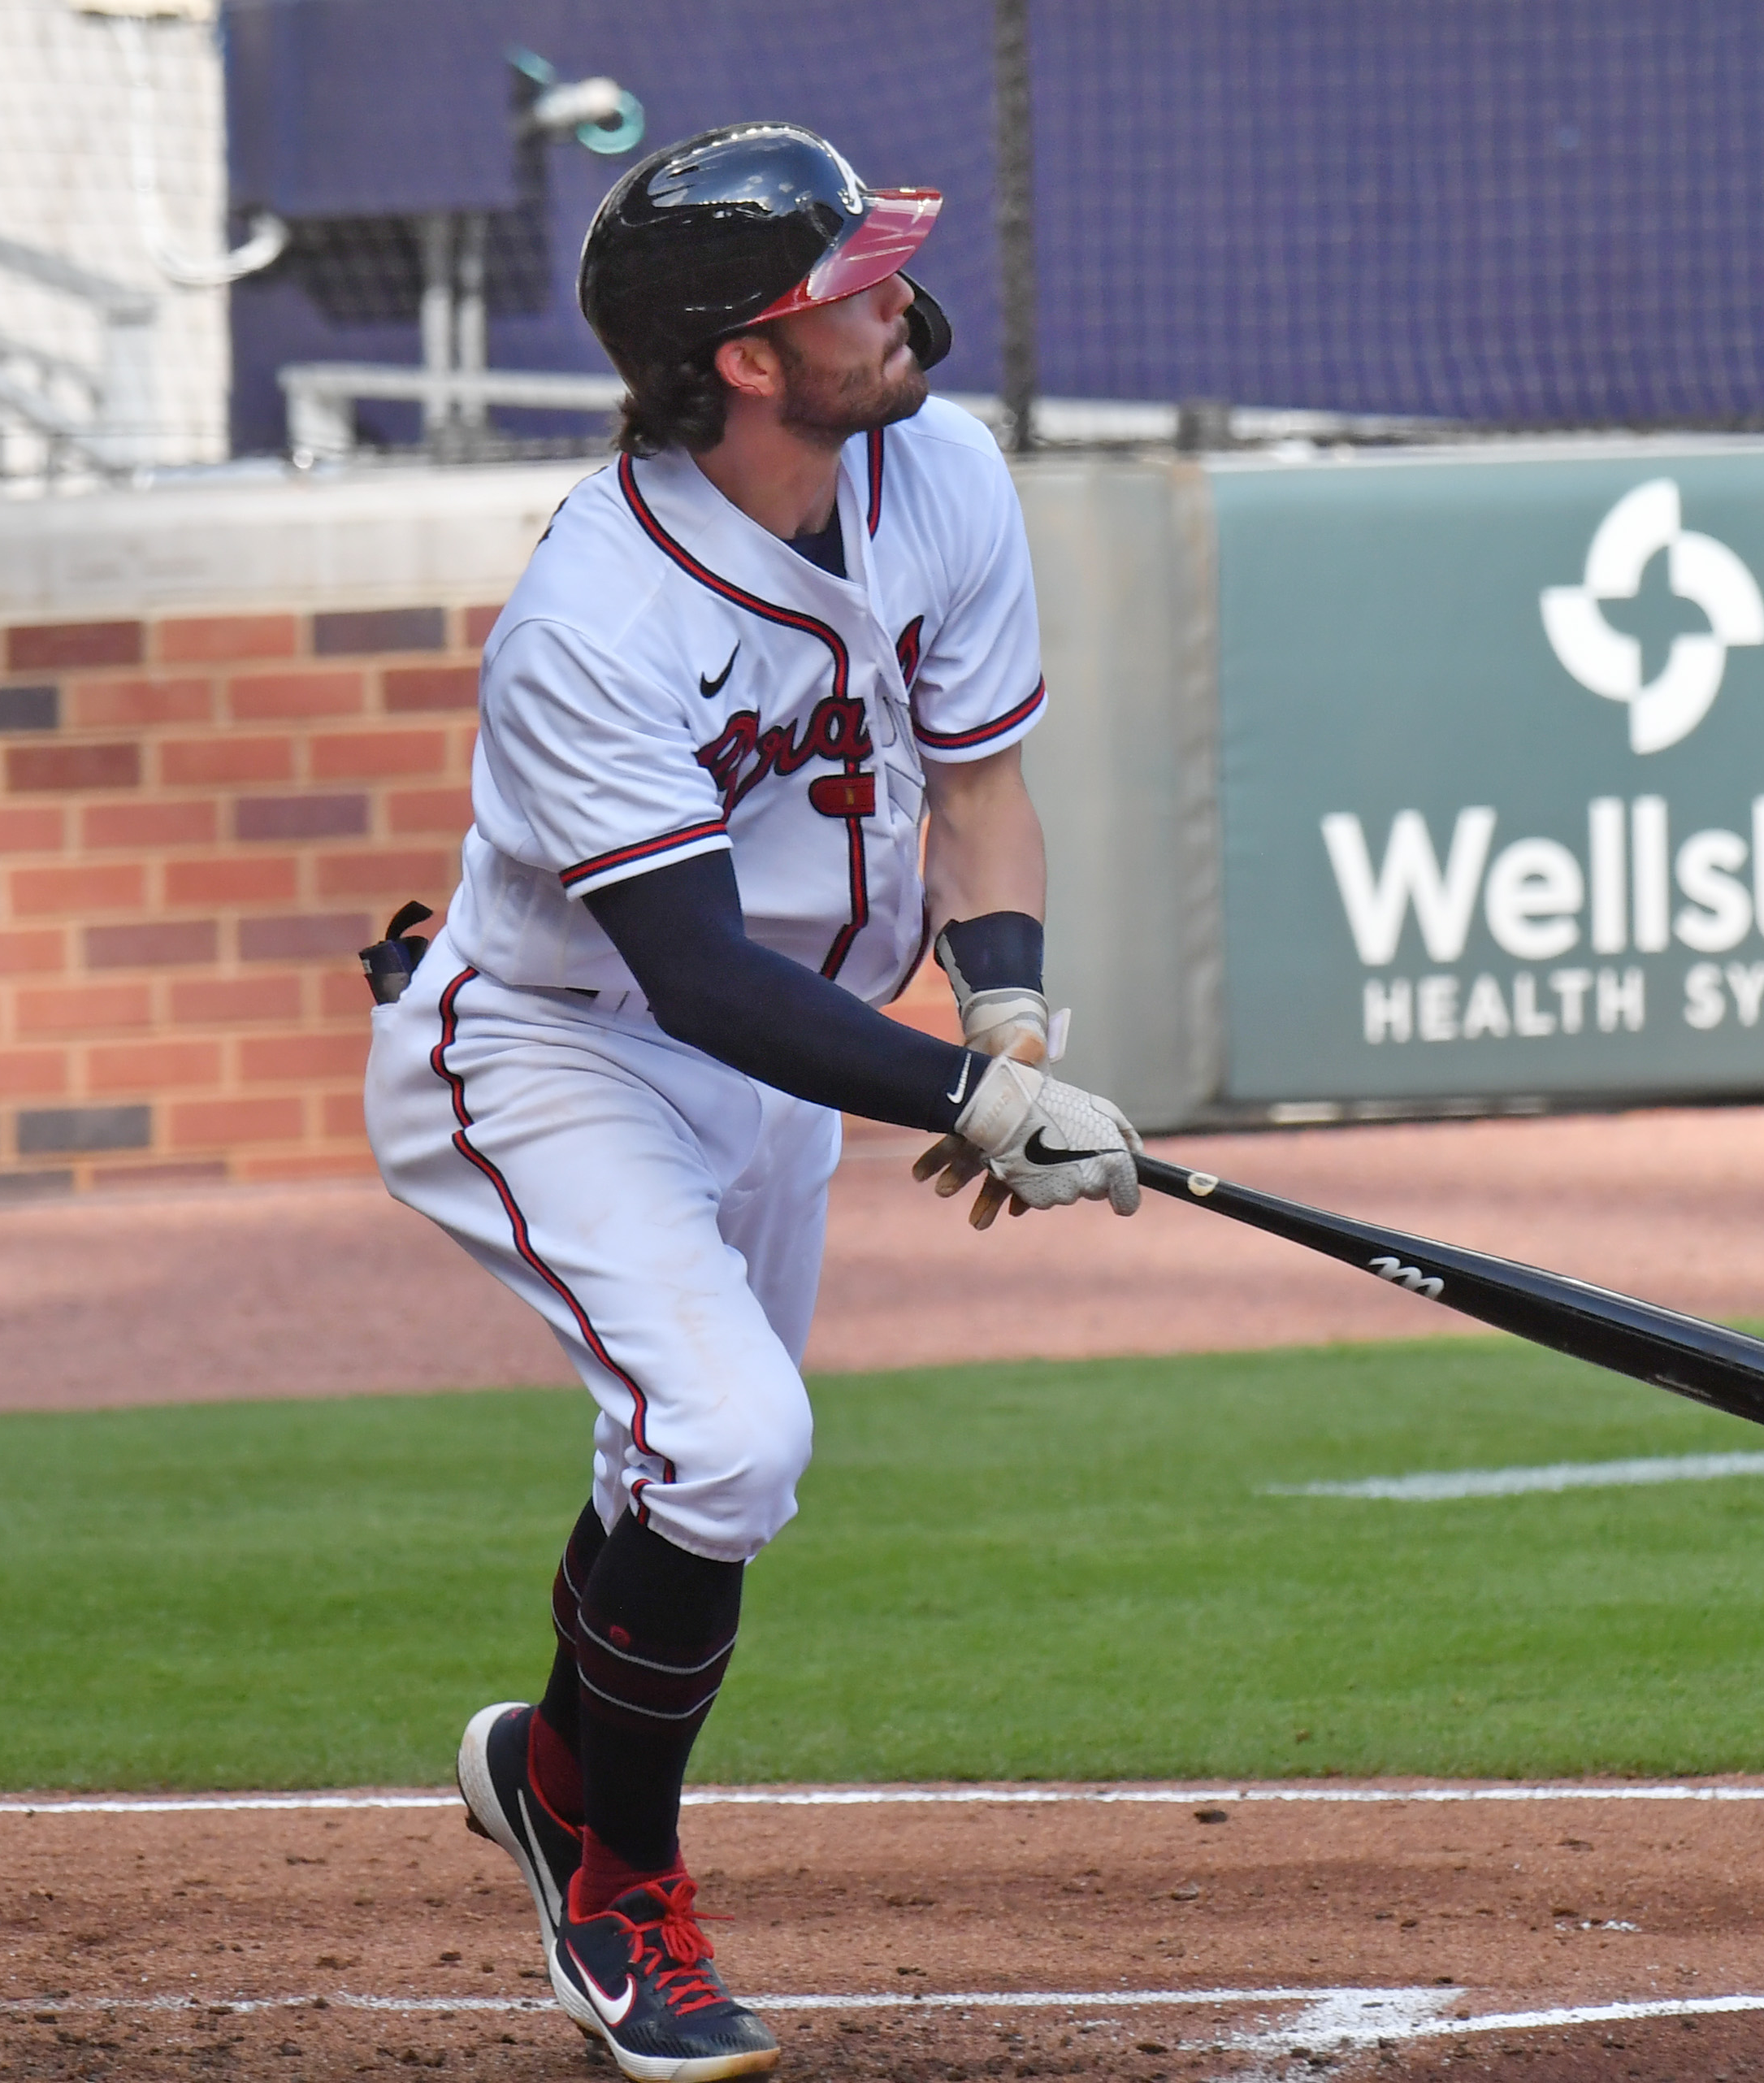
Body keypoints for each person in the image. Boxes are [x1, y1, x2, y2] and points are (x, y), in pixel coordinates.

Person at [359, 121, 1142, 2082]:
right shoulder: (593, 623)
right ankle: (621, 1883)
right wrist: (967, 1100)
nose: (893, 301)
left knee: (683, 1474)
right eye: (842, 287)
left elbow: (975, 789)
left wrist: (1011, 1024)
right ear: (739, 359)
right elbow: (691, 974)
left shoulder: (936, 470)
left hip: (780, 1044)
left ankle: (547, 1768)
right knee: (726, 1437)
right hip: (562, 1047)